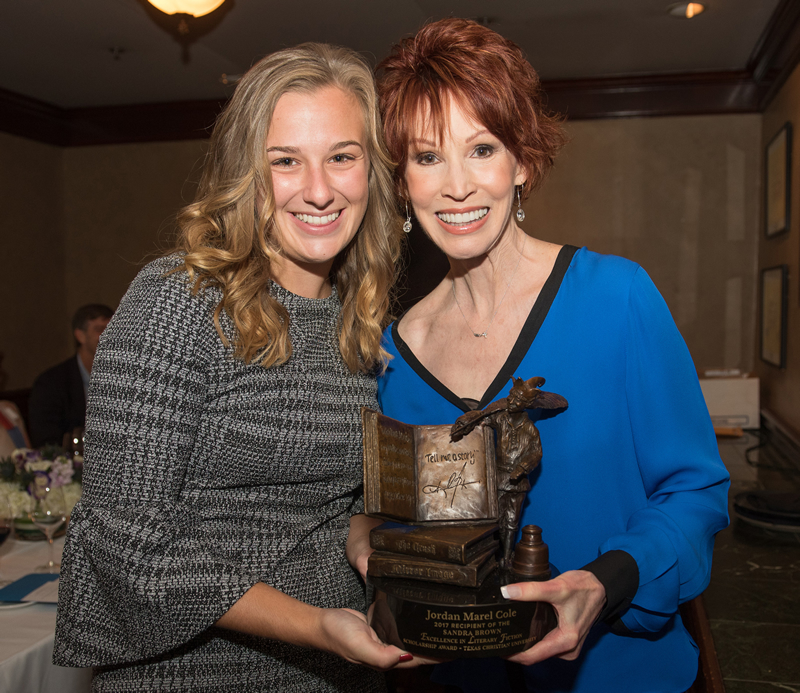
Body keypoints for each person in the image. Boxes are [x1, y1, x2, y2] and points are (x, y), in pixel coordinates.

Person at [375, 18, 730, 693]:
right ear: (402, 182)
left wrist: (608, 579)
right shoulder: (393, 357)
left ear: (523, 162)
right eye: (427, 156)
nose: (456, 185)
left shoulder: (618, 297)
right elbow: (404, 535)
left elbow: (696, 491)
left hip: (621, 674)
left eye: (481, 149)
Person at [54, 43, 423, 692]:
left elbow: (334, 501)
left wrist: (364, 537)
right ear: (248, 172)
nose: (318, 189)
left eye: (342, 156)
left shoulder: (359, 319)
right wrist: (315, 625)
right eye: (286, 161)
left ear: (374, 171)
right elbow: (125, 541)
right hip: (189, 671)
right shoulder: (180, 298)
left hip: (340, 668)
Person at [28, 304, 113, 447]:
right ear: (80, 336)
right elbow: (47, 442)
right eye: (100, 330)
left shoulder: (124, 376)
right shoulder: (52, 383)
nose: (109, 335)